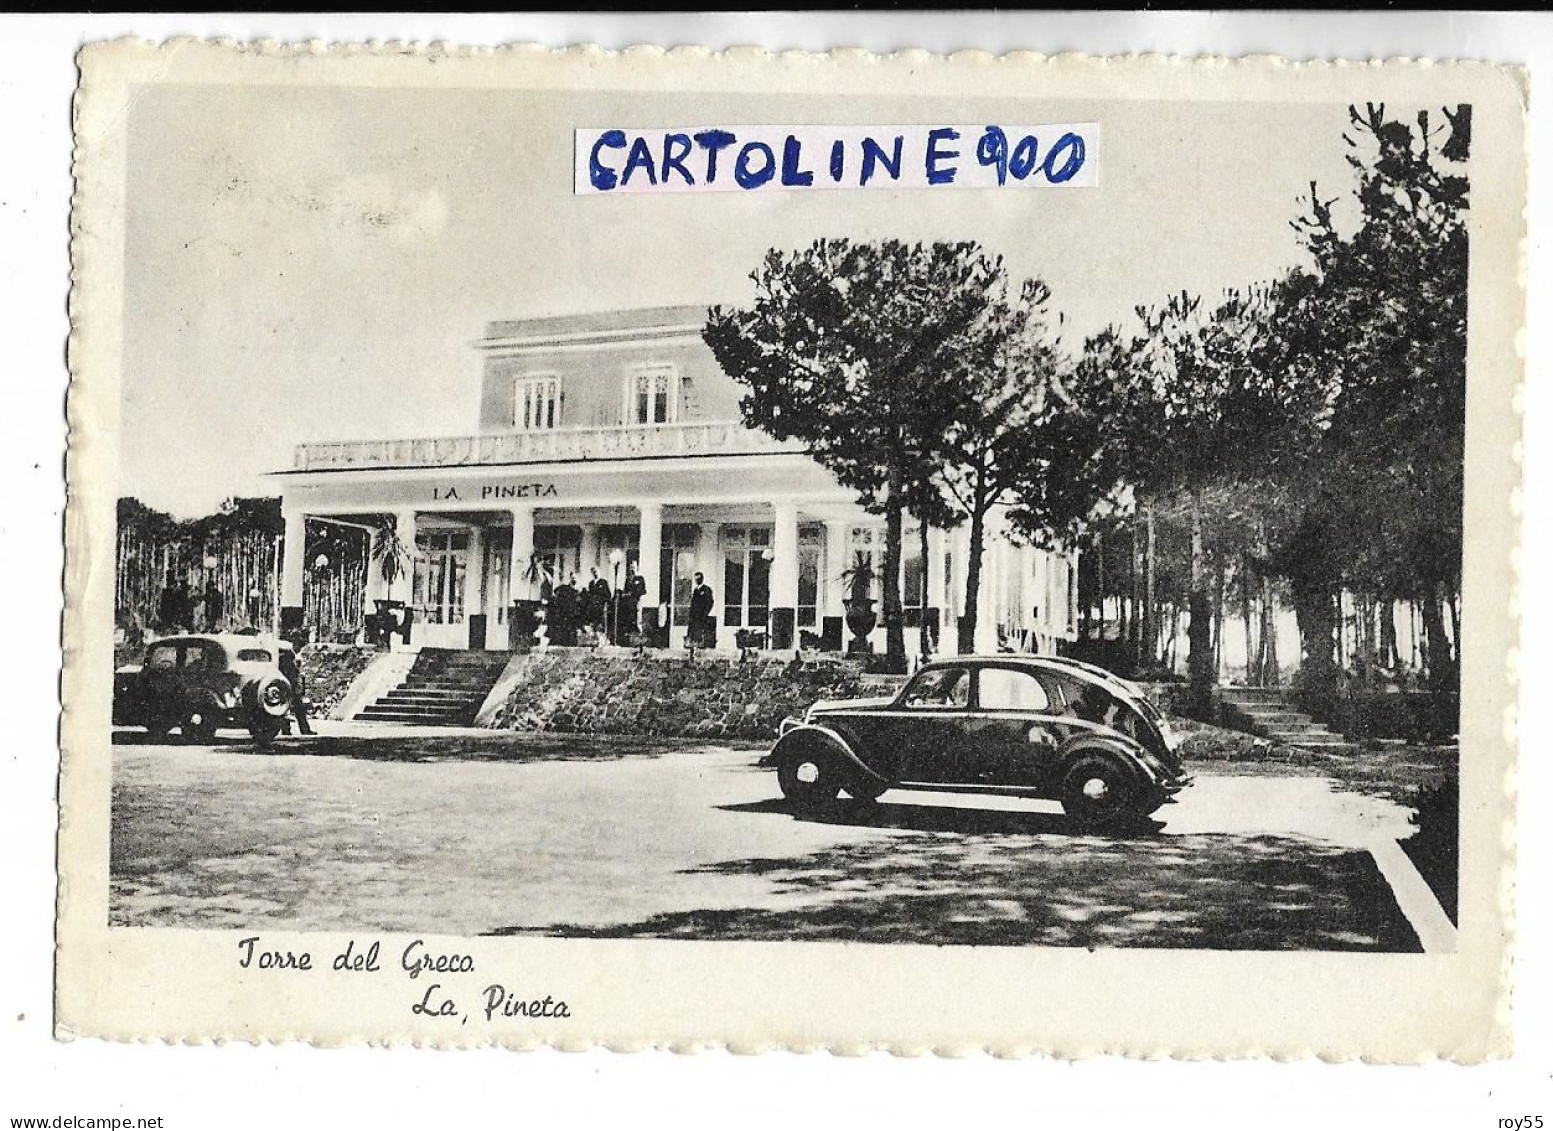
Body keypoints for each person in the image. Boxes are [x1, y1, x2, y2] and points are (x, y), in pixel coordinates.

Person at [277, 640, 314, 736]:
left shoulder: (283, 659)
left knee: (285, 709)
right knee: (297, 709)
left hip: (286, 687)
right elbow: (292, 674)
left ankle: (287, 729)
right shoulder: (288, 659)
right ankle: (303, 729)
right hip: (290, 687)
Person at [551, 574, 580, 647]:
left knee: (572, 630)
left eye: (576, 578)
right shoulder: (564, 588)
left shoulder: (577, 591)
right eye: (573, 578)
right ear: (570, 579)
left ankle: (571, 643)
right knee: (565, 628)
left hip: (573, 614)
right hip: (565, 613)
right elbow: (555, 592)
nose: (574, 580)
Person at [688, 571, 715, 648]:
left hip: (702, 616)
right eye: (696, 579)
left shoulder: (706, 589)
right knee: (693, 634)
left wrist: (705, 614)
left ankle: (700, 647)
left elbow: (710, 602)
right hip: (695, 617)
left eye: (699, 578)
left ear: (702, 579)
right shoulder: (695, 590)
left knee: (701, 633)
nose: (697, 580)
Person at [585, 568, 611, 636]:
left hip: (600, 606)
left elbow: (608, 595)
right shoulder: (591, 583)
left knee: (600, 623)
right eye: (593, 572)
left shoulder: (603, 582)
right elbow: (590, 594)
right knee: (592, 622)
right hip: (593, 607)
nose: (595, 573)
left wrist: (604, 604)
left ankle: (601, 637)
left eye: (596, 572)